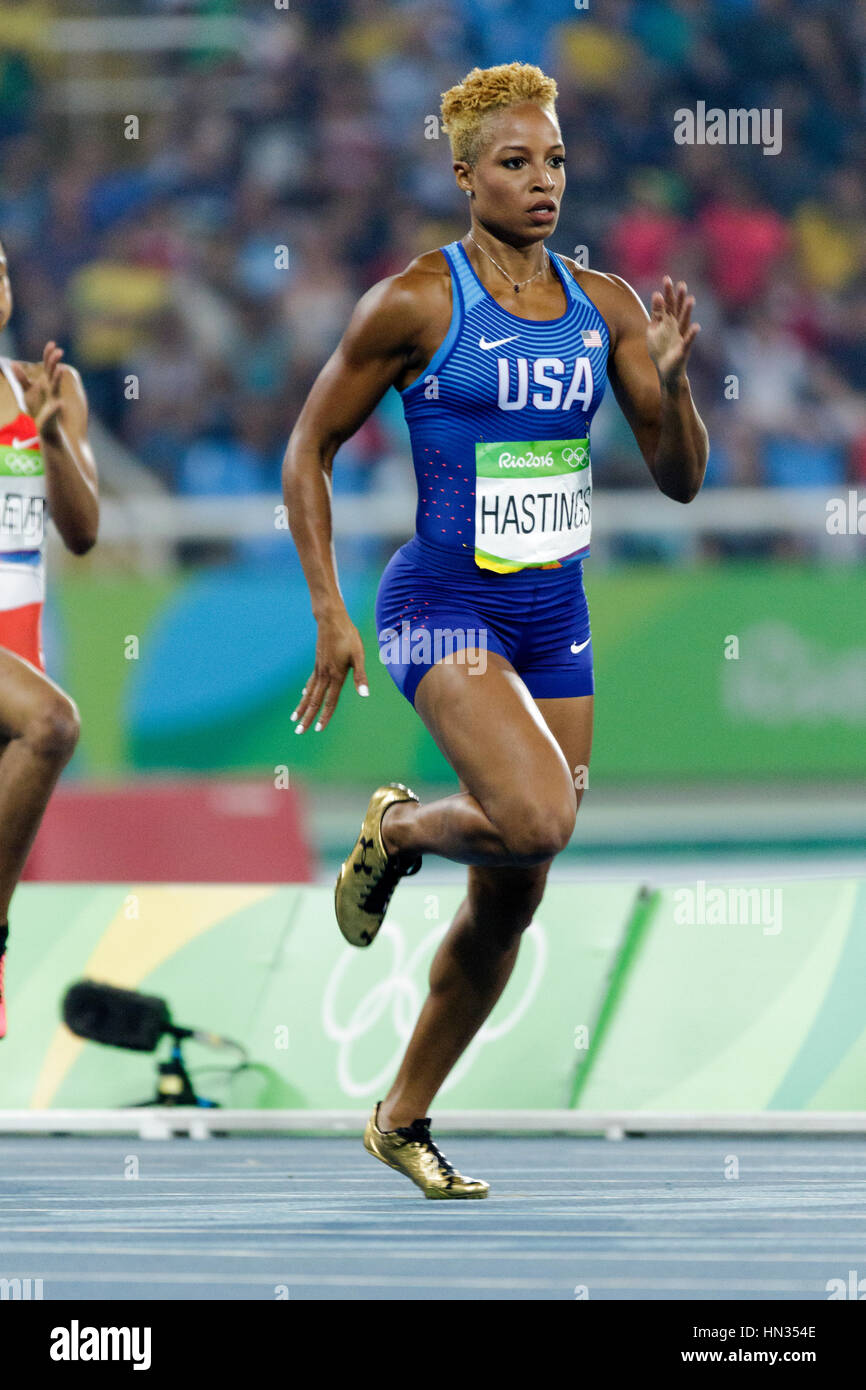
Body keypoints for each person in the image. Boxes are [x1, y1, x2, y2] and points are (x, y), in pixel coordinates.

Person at [283, 63, 707, 1198]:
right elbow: (306, 450)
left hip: (549, 614)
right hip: (437, 605)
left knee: (516, 881)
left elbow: (677, 482)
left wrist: (673, 391)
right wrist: (329, 609)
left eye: (554, 160)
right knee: (536, 815)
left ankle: (401, 1116)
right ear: (463, 174)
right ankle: (404, 829)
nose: (540, 181)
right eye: (513, 162)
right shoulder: (417, 301)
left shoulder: (605, 305)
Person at [0, 237, 99, 1039]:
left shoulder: (47, 387)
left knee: (46, 722)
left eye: (0, 269)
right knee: (55, 721)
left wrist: (54, 435)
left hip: (16, 665)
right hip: (23, 696)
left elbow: (84, 531)